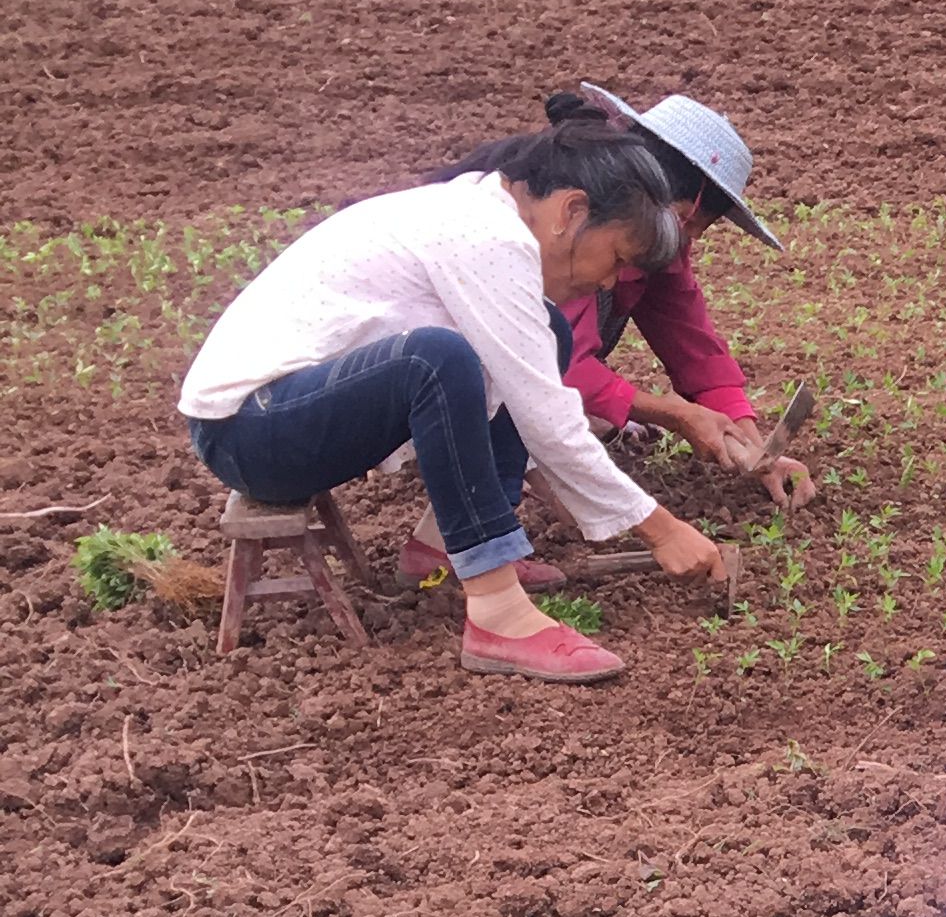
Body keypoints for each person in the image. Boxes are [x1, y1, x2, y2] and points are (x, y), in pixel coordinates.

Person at [176, 124, 725, 685]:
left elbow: (534, 391)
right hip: (251, 432)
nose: (610, 281)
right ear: (572, 211)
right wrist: (661, 529)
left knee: (546, 335)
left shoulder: (482, 216)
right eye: (615, 258)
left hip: (281, 415)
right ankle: (497, 614)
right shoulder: (486, 237)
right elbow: (546, 416)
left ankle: (440, 547)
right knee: (435, 361)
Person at [429, 82, 815, 581]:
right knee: (541, 404)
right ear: (675, 207)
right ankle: (474, 534)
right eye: (689, 228)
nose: (686, 243)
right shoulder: (569, 233)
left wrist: (751, 440)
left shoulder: (638, 233)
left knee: (577, 417)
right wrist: (675, 421)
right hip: (434, 371)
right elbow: (548, 368)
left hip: (472, 369)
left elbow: (688, 335)